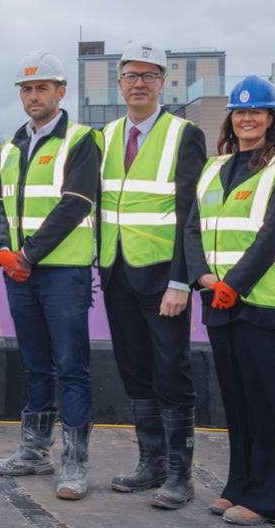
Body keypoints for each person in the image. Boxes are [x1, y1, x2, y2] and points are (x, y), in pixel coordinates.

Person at [184, 75, 275, 526]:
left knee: (268, 405)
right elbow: (193, 228)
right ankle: (240, 485)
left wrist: (233, 284)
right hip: (217, 301)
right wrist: (202, 277)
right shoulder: (215, 169)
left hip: (262, 305)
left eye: (257, 111)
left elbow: (274, 234)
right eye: (240, 111)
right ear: (231, 119)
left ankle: (272, 501)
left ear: (272, 117)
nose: (247, 118)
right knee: (237, 403)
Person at [0, 52, 100, 500]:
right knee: (35, 364)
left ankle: (74, 463)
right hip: (20, 272)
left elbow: (75, 202)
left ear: (60, 92)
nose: (34, 97)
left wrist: (26, 254)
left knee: (71, 366)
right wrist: (1, 250)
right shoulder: (11, 146)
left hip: (62, 272)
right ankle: (34, 450)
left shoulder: (80, 140)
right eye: (27, 90)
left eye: (42, 89)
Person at [98, 40, 207, 509]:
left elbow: (191, 215)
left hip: (164, 279)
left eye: (149, 76)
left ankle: (181, 475)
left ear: (163, 83)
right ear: (119, 83)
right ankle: (152, 464)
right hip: (117, 272)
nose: (139, 84)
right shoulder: (103, 137)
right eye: (131, 76)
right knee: (134, 369)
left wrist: (182, 281)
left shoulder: (183, 134)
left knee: (171, 370)